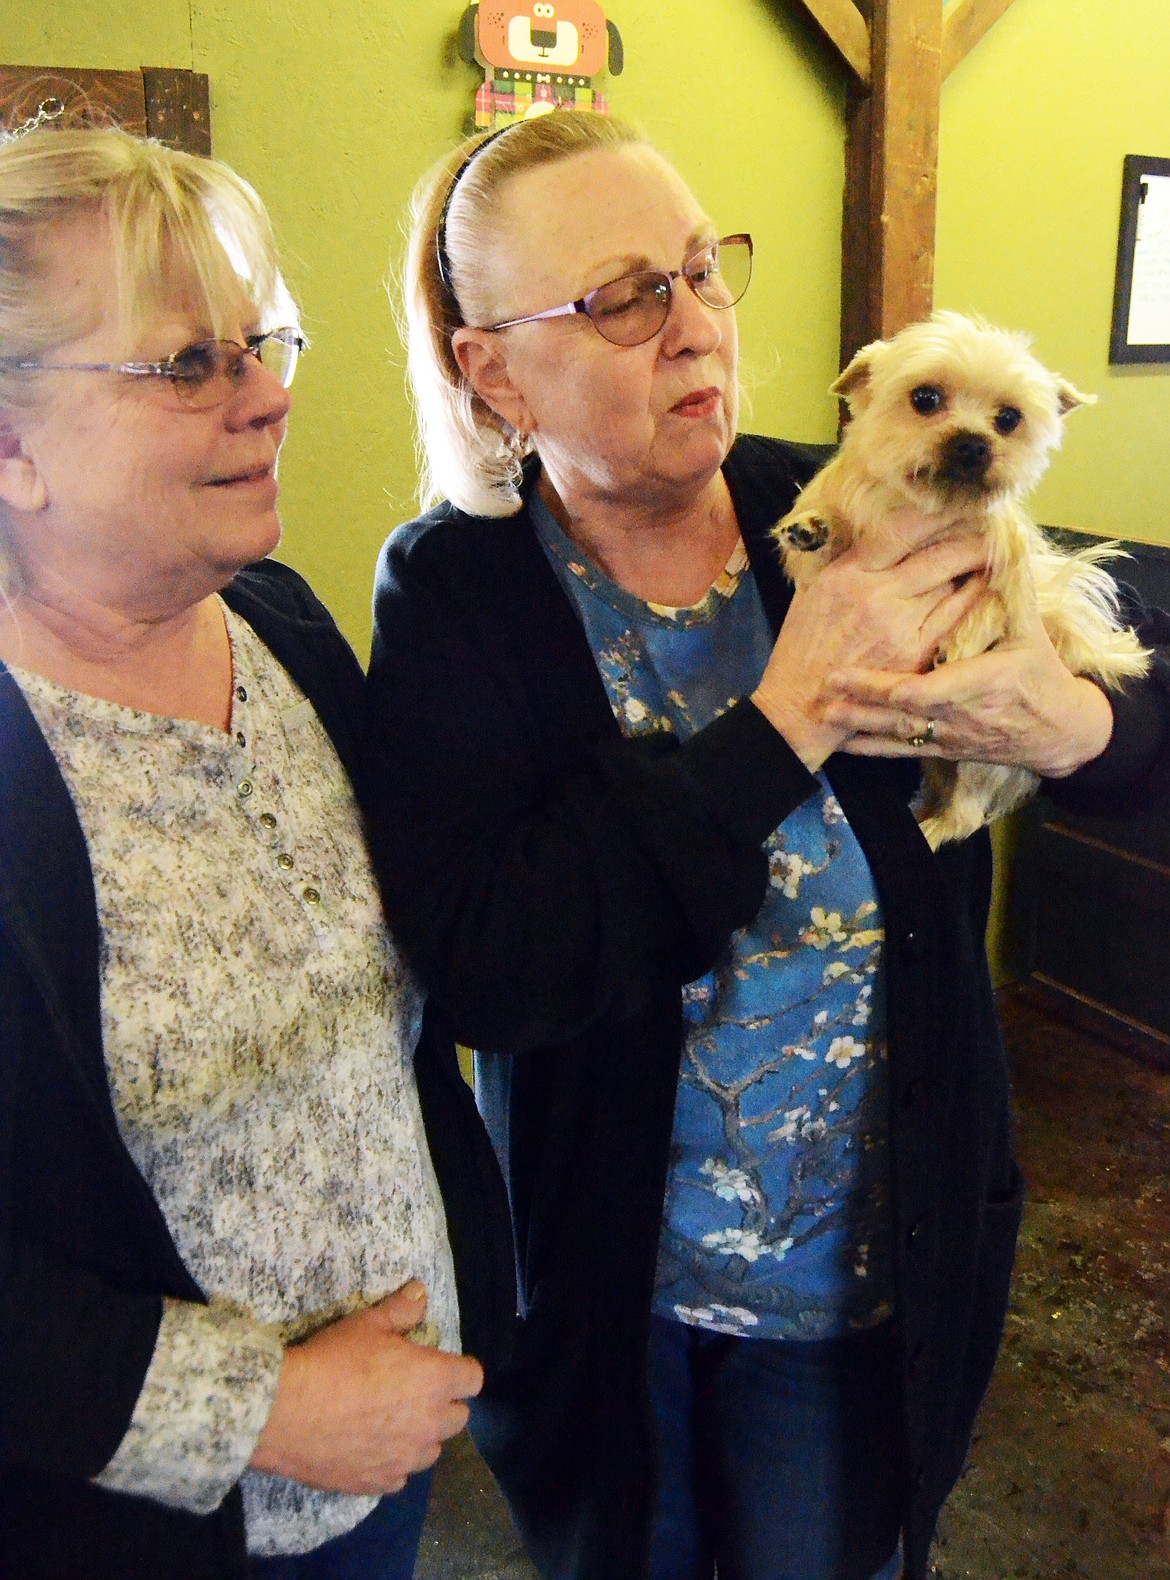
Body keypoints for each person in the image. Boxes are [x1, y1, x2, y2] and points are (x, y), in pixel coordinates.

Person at [367, 110, 1170, 1580]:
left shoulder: (863, 495)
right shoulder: (456, 592)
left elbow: (1144, 691)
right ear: (490, 367)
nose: (691, 331)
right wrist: (778, 717)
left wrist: (1077, 731)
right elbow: (491, 964)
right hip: (619, 1286)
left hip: (872, 1269)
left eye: (699, 270)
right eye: (619, 298)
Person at [0, 123, 514, 1580]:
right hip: (127, 1529)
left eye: (263, 343)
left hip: (387, 1465)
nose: (271, 398)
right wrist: (266, 1409)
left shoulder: (281, 623)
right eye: (186, 364)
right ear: (11, 450)